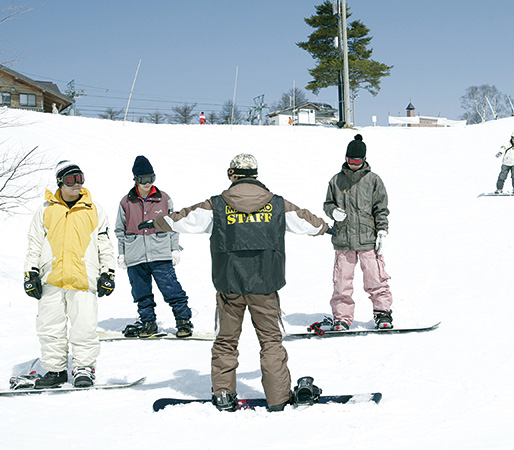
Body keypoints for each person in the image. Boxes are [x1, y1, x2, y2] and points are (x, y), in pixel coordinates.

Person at [139, 153, 328, 412]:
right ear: (256, 175)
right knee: (271, 342)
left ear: (232, 174)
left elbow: (184, 219)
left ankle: (225, 395)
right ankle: (278, 398)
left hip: (229, 286)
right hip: (265, 286)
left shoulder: (216, 205)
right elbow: (309, 223)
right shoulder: (278, 205)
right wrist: (326, 228)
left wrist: (157, 222)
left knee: (227, 341)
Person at [23, 160, 116, 389]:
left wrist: (108, 273)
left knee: (84, 326)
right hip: (51, 278)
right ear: (60, 182)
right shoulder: (46, 210)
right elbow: (35, 243)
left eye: (80, 179)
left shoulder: (94, 209)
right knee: (49, 326)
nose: (77, 184)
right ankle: (55, 370)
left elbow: (104, 244)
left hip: (83, 278)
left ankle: (84, 368)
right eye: (70, 180)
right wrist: (30, 273)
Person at [115, 155, 193, 338]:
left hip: (160, 253)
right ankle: (148, 323)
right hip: (135, 255)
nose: (147, 183)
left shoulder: (164, 199)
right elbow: (120, 230)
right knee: (141, 293)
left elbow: (174, 225)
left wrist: (174, 249)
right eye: (143, 179)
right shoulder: (126, 202)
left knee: (171, 289)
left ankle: (183, 321)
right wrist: (122, 254)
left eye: (151, 179)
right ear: (135, 179)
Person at [323, 134, 394, 331]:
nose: (353, 164)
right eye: (350, 161)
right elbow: (327, 203)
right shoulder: (336, 181)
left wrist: (381, 231)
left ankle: (383, 314)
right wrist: (333, 211)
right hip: (343, 240)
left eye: (357, 161)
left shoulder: (373, 181)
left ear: (364, 160)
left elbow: (381, 208)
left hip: (368, 240)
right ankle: (342, 318)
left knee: (376, 279)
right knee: (341, 283)